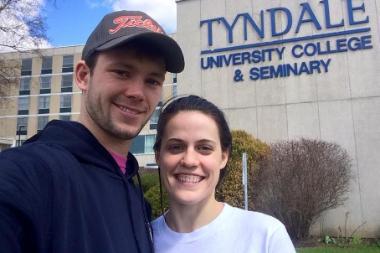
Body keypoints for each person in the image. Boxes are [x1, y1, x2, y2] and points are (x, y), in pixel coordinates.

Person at [0, 10, 184, 253]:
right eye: (122, 72)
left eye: (152, 81)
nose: (137, 92)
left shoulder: (136, 198)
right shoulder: (28, 173)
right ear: (83, 76)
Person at [152, 95, 296, 253]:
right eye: (176, 147)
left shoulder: (266, 236)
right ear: (158, 155)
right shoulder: (139, 241)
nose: (189, 161)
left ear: (223, 157)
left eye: (204, 148)